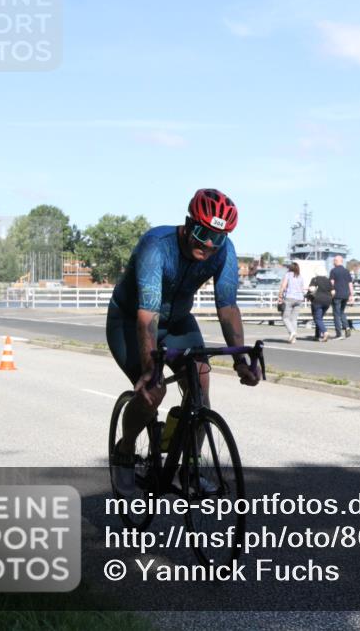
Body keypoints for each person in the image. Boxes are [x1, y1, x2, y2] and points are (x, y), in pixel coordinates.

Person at [106, 189, 259, 497]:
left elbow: (227, 307)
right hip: (130, 322)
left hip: (176, 322)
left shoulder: (224, 251)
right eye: (202, 233)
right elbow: (147, 314)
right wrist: (150, 370)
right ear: (189, 223)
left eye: (217, 237)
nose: (208, 244)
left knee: (200, 382)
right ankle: (124, 452)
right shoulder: (156, 246)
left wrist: (241, 361)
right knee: (153, 391)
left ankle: (186, 466)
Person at [277, 262, 305, 344]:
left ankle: (292, 332)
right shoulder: (300, 276)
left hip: (290, 297)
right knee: (294, 319)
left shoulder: (288, 274)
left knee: (285, 317)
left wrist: (280, 295)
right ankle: (293, 339)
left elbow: (283, 285)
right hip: (299, 299)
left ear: (290, 268)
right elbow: (302, 288)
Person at [328, 255, 354, 339]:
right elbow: (350, 284)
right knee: (342, 312)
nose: (333, 262)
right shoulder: (346, 271)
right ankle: (347, 327)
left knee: (336, 314)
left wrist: (330, 292)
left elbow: (331, 283)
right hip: (345, 295)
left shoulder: (333, 271)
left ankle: (339, 334)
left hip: (337, 295)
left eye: (334, 261)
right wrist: (351, 295)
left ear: (336, 261)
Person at [306, 272, 332, 342]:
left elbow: (311, 289)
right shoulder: (328, 280)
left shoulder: (315, 279)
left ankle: (325, 332)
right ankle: (317, 336)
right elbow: (333, 292)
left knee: (317, 318)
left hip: (317, 301)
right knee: (319, 318)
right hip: (327, 301)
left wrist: (308, 290)